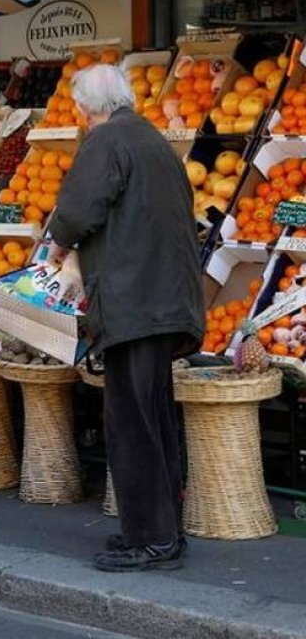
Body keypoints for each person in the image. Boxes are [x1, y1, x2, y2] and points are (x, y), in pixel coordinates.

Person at [47, 64, 204, 573]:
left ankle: (151, 539)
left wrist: (59, 244)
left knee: (131, 422)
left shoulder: (106, 141)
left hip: (134, 299)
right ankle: (163, 531)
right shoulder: (153, 141)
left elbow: (76, 210)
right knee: (153, 415)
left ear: (88, 107)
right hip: (165, 297)